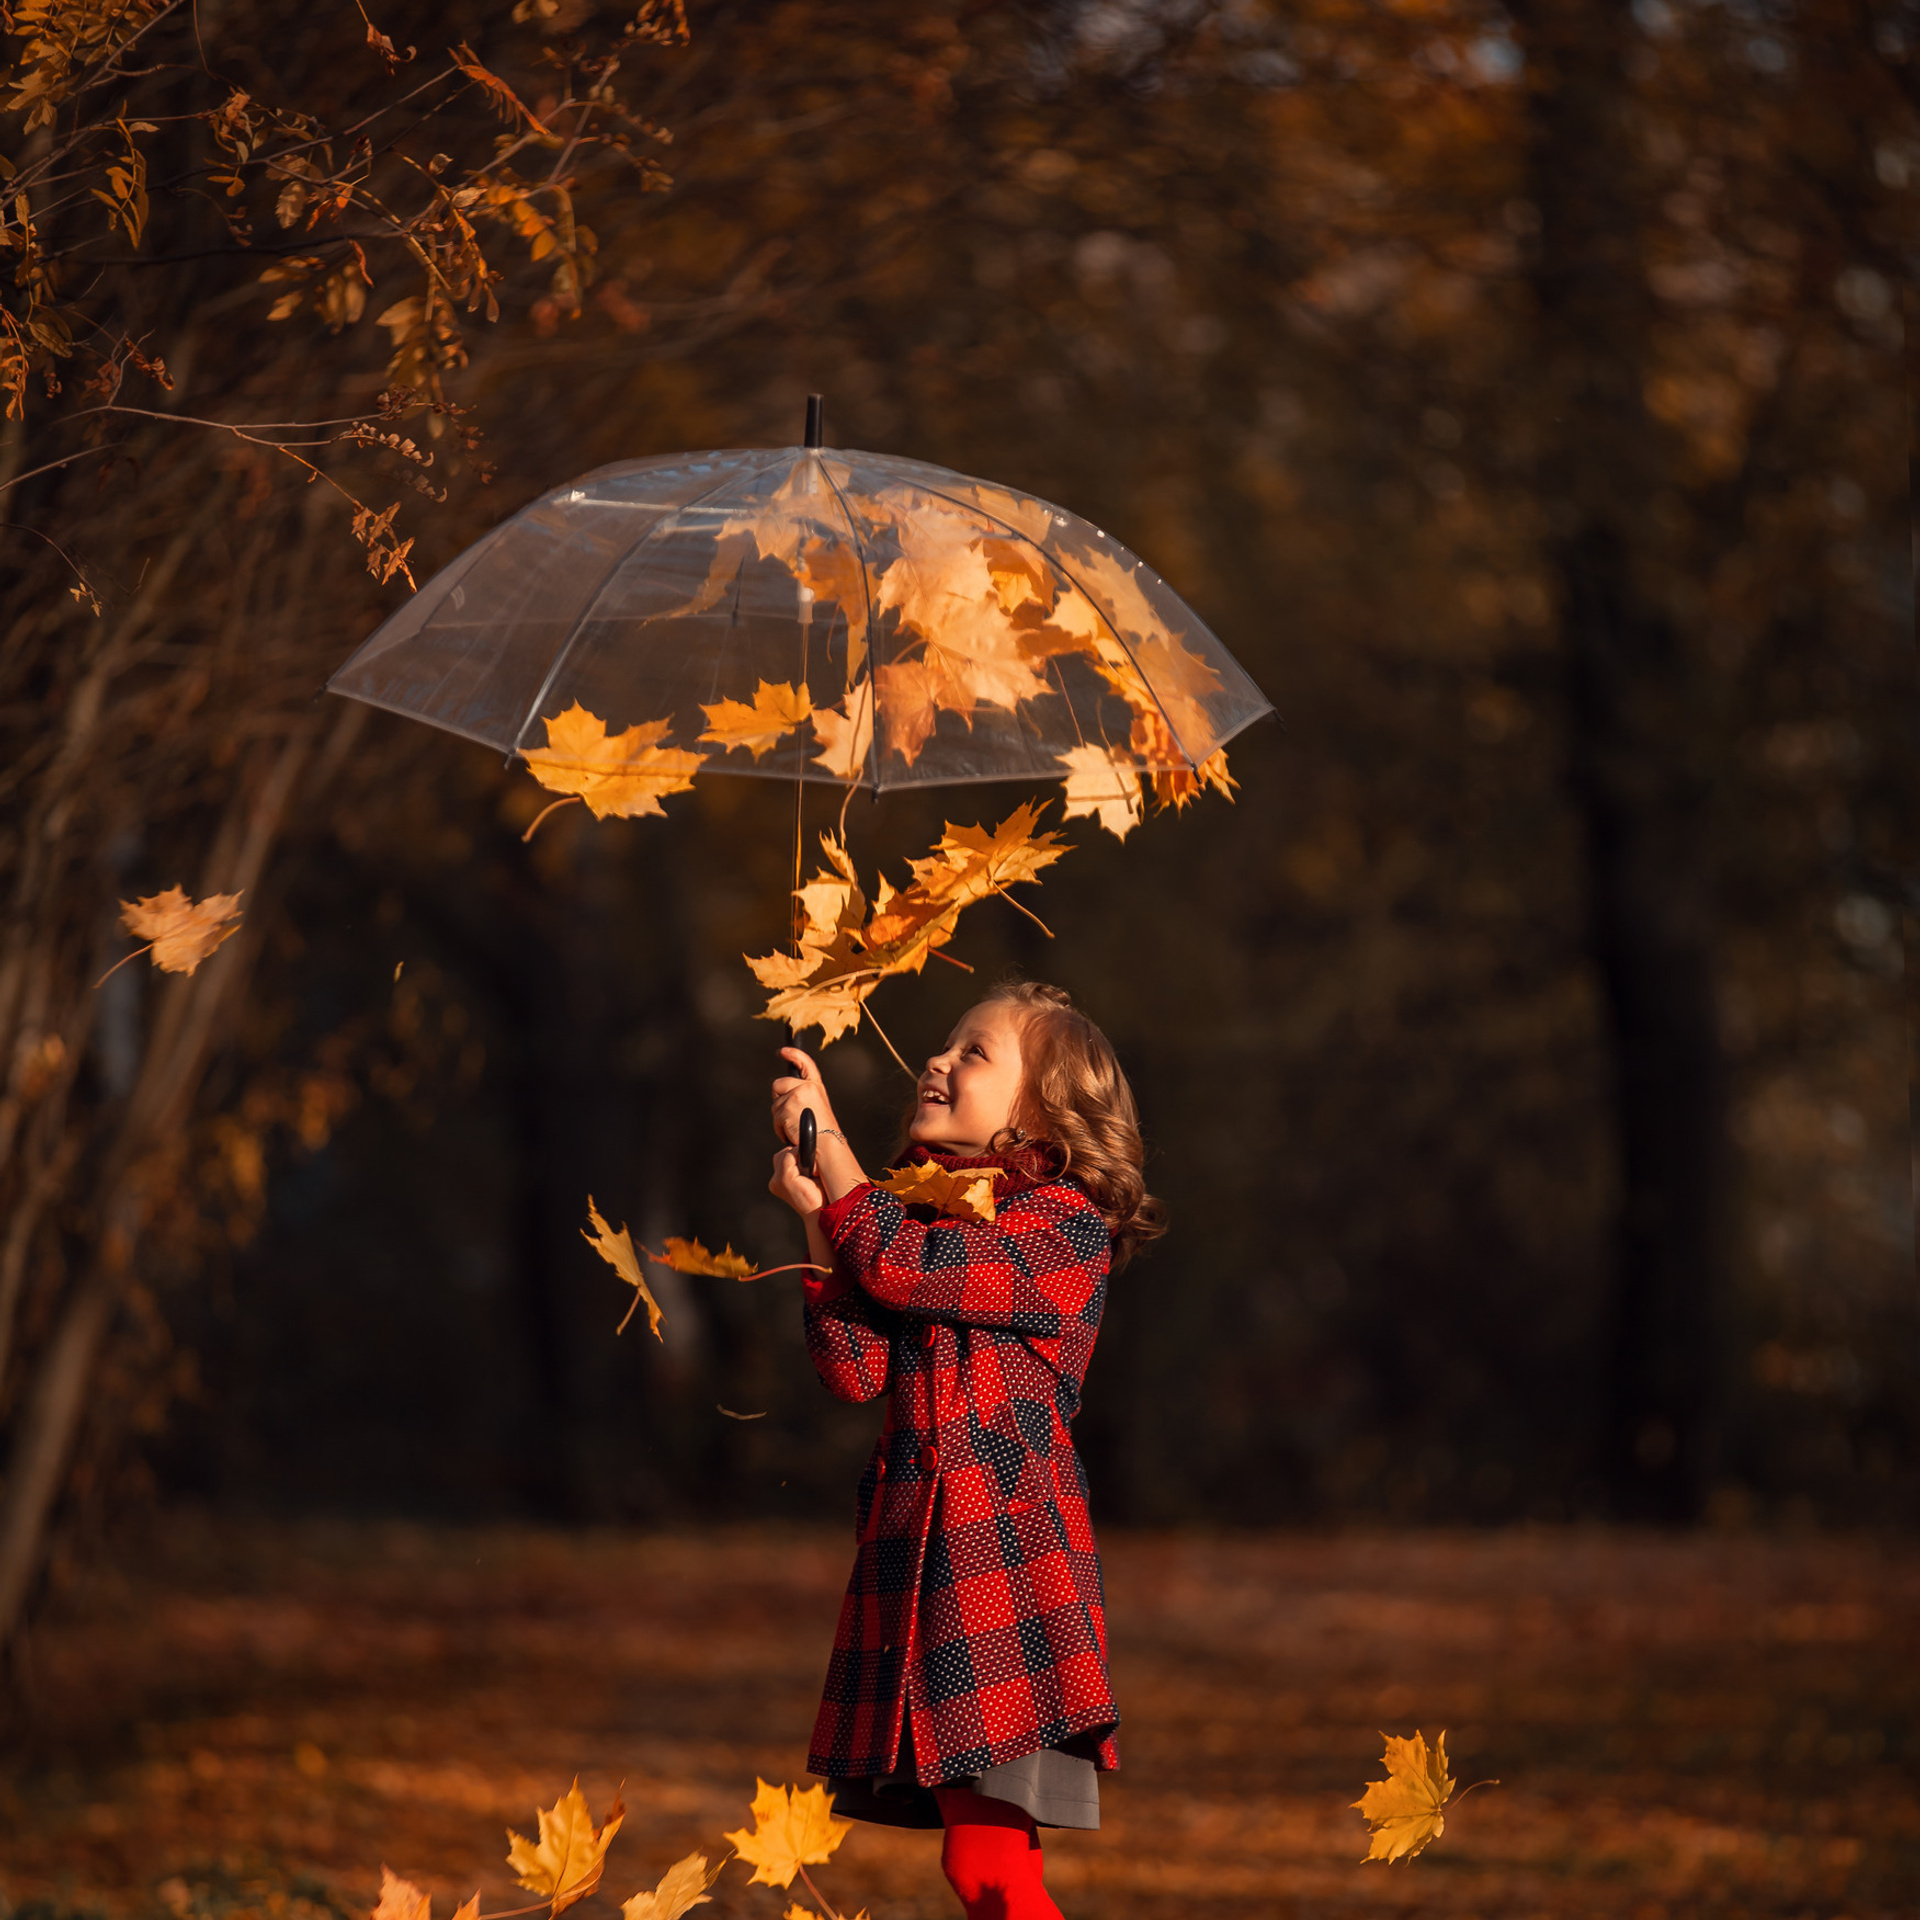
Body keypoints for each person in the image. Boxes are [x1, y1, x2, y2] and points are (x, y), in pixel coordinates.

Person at [768, 980, 1165, 1920]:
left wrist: (837, 1162)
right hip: (924, 1571)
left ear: (1048, 1116)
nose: (937, 1061)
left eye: (975, 1052)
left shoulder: (1063, 1227)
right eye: (944, 1045)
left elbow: (911, 1273)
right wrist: (817, 1218)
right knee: (984, 1869)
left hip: (1003, 1570)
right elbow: (854, 1368)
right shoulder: (912, 1226)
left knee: (988, 1870)